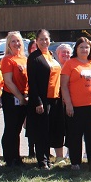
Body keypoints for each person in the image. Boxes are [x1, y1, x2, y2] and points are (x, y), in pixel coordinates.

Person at [60, 37, 91, 171]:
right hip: (76, 107)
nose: (84, 50)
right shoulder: (70, 64)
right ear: (76, 49)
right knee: (75, 135)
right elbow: (64, 86)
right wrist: (68, 104)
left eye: (87, 47)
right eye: (81, 47)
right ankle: (75, 162)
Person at [27, 29, 64, 170]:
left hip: (55, 99)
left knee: (51, 131)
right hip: (42, 100)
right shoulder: (34, 58)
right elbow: (32, 82)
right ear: (36, 41)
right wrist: (38, 101)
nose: (44, 41)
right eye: (41, 39)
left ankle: (50, 158)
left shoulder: (51, 55)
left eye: (46, 39)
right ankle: (42, 161)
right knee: (41, 132)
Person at [0, 31, 28, 167]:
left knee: (17, 129)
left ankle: (16, 157)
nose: (16, 44)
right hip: (11, 98)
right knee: (11, 128)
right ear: (8, 44)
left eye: (18, 41)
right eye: (13, 41)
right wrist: (20, 97)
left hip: (23, 97)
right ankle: (9, 158)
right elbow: (8, 82)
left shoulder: (24, 59)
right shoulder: (7, 60)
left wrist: (25, 96)